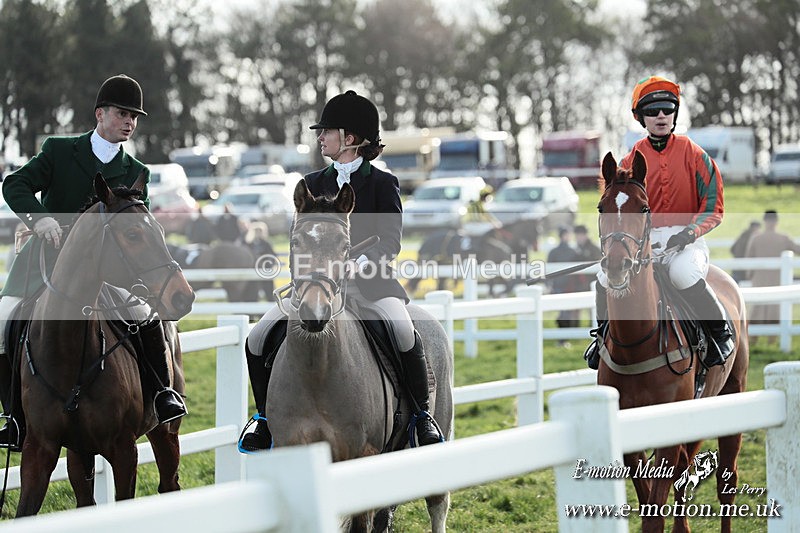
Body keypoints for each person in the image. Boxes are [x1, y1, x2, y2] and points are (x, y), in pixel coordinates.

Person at [239, 90, 443, 451]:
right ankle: (265, 421)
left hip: (372, 287)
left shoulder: (383, 184)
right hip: (314, 288)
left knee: (404, 333)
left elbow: (390, 243)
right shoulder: (312, 184)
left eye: (326, 131)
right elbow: (296, 241)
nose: (320, 138)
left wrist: (356, 264)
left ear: (349, 138)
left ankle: (420, 417)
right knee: (257, 339)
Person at [0, 74, 186, 450]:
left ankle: (161, 395)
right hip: (45, 265)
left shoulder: (137, 172)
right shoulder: (57, 150)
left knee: (145, 317)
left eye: (134, 116)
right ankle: (15, 417)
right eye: (122, 113)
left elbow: (138, 226)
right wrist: (41, 218)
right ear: (100, 114)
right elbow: (14, 184)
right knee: (3, 319)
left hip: (110, 272)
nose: (130, 122)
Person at [584, 75, 734, 370]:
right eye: (653, 111)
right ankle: (602, 337)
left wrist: (690, 232)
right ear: (642, 118)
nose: (661, 116)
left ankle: (720, 334)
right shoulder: (628, 162)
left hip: (686, 241)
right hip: (642, 243)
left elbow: (714, 207)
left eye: (667, 109)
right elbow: (619, 212)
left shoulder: (695, 155)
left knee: (682, 274)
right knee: (602, 279)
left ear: (675, 114)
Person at [744, 210, 800, 338]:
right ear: (776, 222)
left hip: (759, 278)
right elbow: (797, 249)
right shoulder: (783, 238)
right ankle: (772, 340)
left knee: (757, 308)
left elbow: (749, 257)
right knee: (775, 309)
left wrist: (749, 275)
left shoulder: (756, 238)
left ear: (765, 221)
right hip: (778, 277)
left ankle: (752, 338)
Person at [547, 226, 581, 343]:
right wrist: (549, 285)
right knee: (564, 313)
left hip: (568, 286)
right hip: (560, 286)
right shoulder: (556, 252)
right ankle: (563, 339)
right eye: (567, 234)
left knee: (566, 313)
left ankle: (565, 338)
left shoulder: (572, 251)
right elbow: (549, 270)